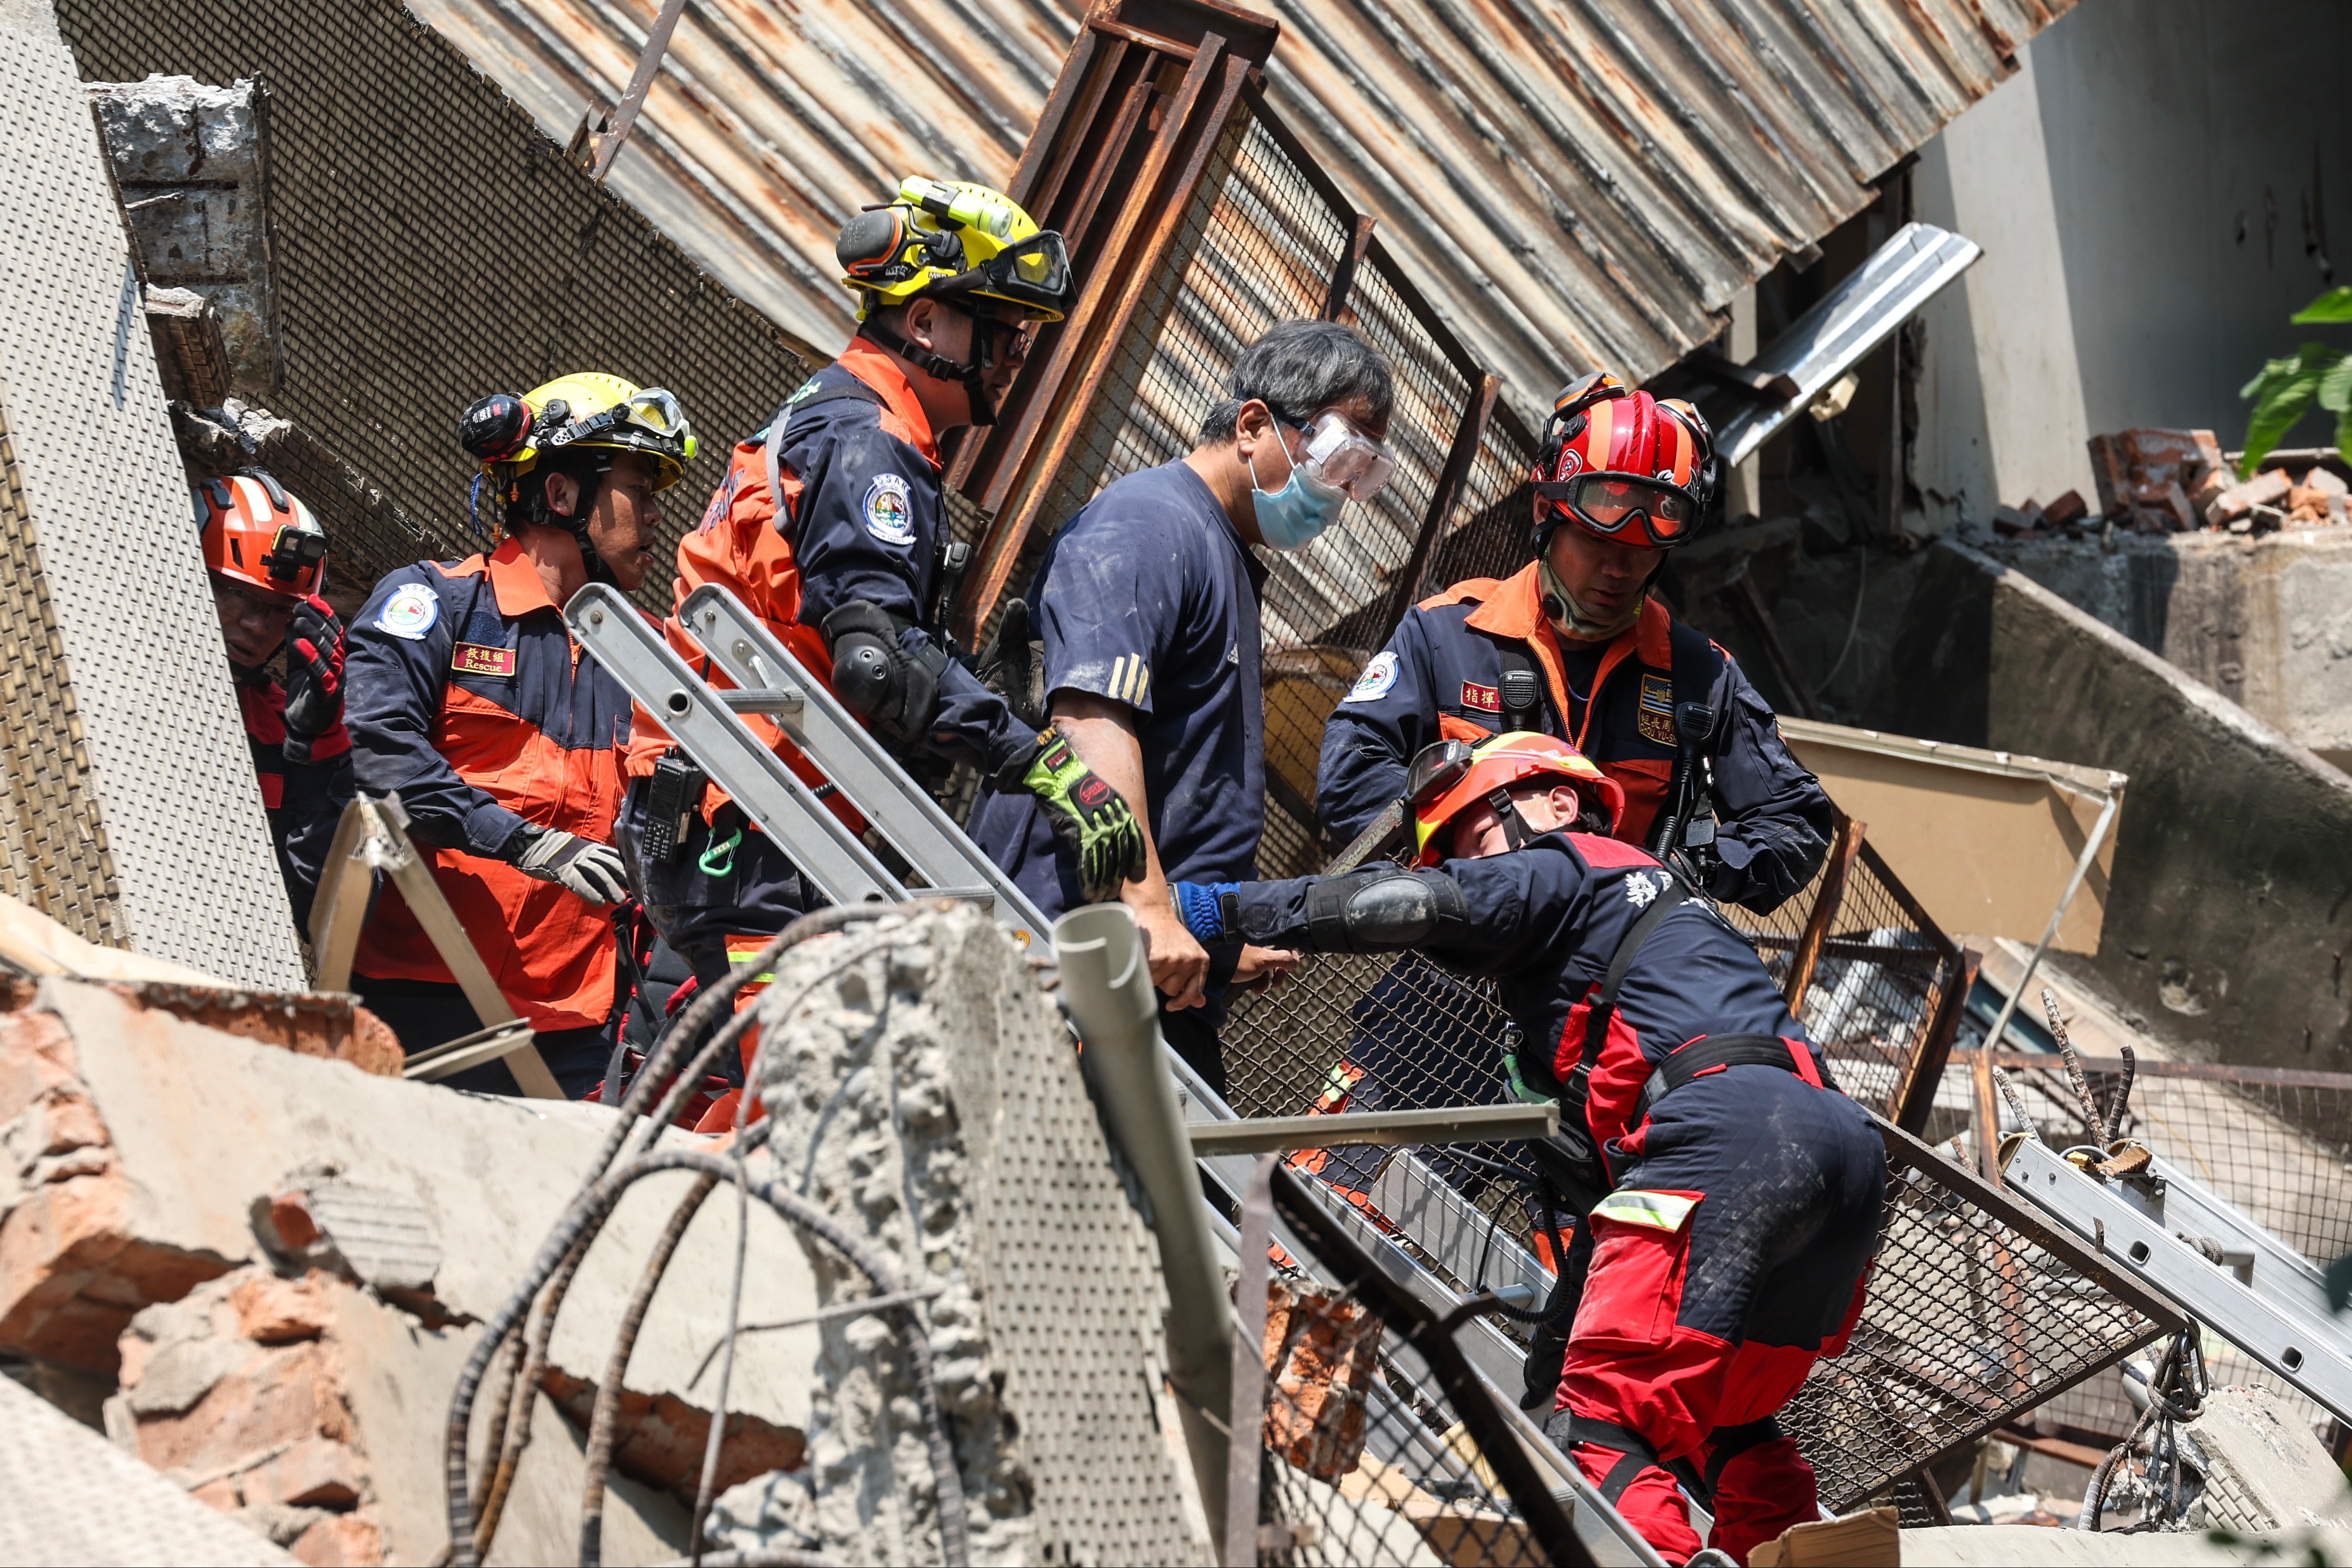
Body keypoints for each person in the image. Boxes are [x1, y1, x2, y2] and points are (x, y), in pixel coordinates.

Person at [1170, 731, 1886, 1566]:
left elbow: (1396, 905)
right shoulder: (1656, 927)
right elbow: (1612, 1195)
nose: (1460, 870)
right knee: (1720, 1422)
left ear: (1553, 801)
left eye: (1470, 839)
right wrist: (1553, 1352)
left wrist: (1213, 912)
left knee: (1606, 1416)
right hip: (1840, 1152)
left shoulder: (1568, 862)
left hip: (1726, 1135)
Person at [614, 177, 1143, 1118]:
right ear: (930, 321)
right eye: (1003, 326)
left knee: (683, 1091)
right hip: (761, 825)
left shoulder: (843, 418)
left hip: (741, 811)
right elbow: (873, 661)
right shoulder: (870, 441)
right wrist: (1041, 762)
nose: (1018, 353)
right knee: (771, 1119)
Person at [969, 318, 1398, 1094]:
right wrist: (1149, 907)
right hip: (1067, 947)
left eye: (1362, 473)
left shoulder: (1223, 553)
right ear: (1253, 424)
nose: (1340, 492)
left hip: (1146, 967)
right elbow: (1090, 719)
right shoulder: (1150, 524)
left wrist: (1204, 932)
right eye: (1338, 456)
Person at [1314, 371, 1831, 914]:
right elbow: (1352, 771)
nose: (1617, 569)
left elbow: (1796, 817)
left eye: (1642, 549)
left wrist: (1687, 870)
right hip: (1461, 948)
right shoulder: (1444, 635)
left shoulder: (1703, 676)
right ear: (1544, 511)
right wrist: (1474, 825)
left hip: (1617, 967)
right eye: (1596, 540)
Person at [342, 372, 691, 1097]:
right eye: (639, 489)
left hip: (577, 1033)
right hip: (420, 997)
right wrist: (525, 841)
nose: (658, 516)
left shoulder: (657, 661)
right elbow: (382, 754)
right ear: (562, 495)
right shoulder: (437, 603)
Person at [198, 471, 352, 930]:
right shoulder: (99, 667)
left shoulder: (291, 731)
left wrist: (317, 750)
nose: (258, 626)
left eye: (282, 611)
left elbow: (324, 914)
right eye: (238, 596)